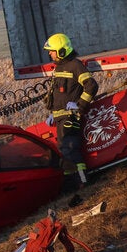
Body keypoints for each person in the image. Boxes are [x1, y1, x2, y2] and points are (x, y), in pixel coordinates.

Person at [43, 33, 98, 189]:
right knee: (64, 153)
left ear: (61, 51)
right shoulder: (59, 68)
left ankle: (83, 183)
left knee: (71, 151)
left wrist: (79, 105)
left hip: (71, 118)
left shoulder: (75, 65)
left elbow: (91, 86)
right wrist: (53, 113)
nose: (49, 53)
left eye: (52, 50)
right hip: (60, 118)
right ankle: (70, 186)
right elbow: (59, 94)